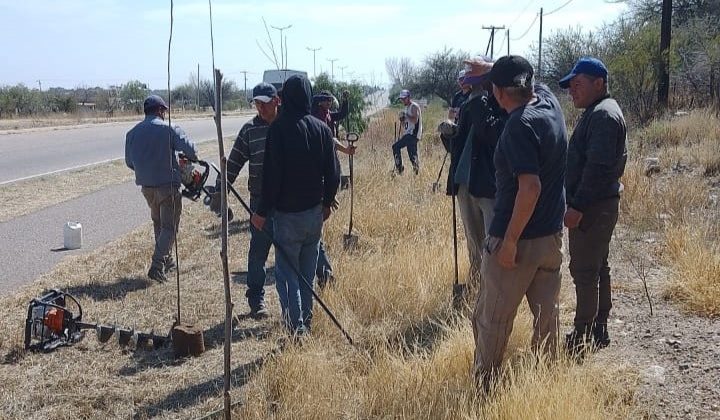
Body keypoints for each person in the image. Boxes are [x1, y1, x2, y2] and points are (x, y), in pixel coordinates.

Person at [473, 55, 568, 391]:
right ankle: (546, 384)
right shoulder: (550, 104)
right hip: (551, 240)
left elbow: (530, 188)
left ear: (498, 93)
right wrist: (494, 72)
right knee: (548, 320)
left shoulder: (517, 127)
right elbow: (529, 82)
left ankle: (485, 390)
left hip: (517, 242)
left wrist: (509, 241)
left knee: (492, 320)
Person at [251, 75, 340, 335]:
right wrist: (326, 204)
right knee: (307, 274)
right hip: (314, 215)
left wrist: (261, 212)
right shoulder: (322, 129)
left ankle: (295, 330)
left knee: (288, 275)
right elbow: (333, 173)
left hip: (287, 216)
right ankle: (306, 325)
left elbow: (272, 177)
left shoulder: (278, 129)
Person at [559, 57, 627, 353]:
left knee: (585, 270)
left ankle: (583, 334)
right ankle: (598, 328)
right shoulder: (598, 111)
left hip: (593, 207)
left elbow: (597, 168)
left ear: (599, 83)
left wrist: (577, 207)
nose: (572, 90)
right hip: (598, 205)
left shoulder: (602, 116)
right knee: (598, 268)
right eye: (570, 86)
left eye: (578, 84)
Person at [212, 82, 280, 318]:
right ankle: (256, 300)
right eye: (257, 103)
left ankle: (293, 303)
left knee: (289, 252)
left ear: (276, 101)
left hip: (287, 203)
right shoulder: (249, 130)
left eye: (264, 102)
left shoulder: (287, 126)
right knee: (258, 251)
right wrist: (221, 191)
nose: (260, 108)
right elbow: (233, 164)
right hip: (259, 202)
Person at [125, 95, 198, 283]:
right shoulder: (170, 129)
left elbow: (129, 163)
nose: (165, 114)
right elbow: (192, 152)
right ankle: (157, 265)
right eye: (164, 111)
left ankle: (168, 261)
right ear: (160, 110)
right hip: (168, 187)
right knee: (169, 227)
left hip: (147, 188)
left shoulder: (132, 133)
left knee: (159, 224)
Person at [446, 57, 506, 286]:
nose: (472, 88)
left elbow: (492, 137)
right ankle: (475, 285)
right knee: (473, 240)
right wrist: (448, 134)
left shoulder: (499, 106)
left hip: (488, 184)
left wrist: (478, 104)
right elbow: (458, 146)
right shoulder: (468, 103)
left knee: (492, 242)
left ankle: (493, 287)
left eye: (477, 83)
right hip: (464, 182)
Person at [312, 89, 357, 287]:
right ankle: (320, 262)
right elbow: (330, 139)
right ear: (320, 102)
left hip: (329, 163)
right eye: (327, 101)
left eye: (331, 101)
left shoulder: (328, 115)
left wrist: (346, 100)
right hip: (319, 165)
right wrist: (345, 149)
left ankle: (317, 247)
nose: (329, 104)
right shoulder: (316, 117)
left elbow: (342, 114)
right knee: (317, 218)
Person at [392, 89, 423, 174]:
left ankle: (399, 169)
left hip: (413, 134)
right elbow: (405, 125)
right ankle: (416, 174)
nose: (402, 100)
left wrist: (406, 115)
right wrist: (402, 120)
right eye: (401, 99)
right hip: (408, 134)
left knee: (395, 147)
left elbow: (415, 120)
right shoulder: (407, 108)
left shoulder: (414, 106)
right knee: (412, 156)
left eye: (404, 98)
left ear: (409, 97)